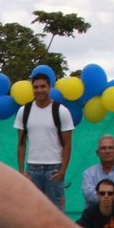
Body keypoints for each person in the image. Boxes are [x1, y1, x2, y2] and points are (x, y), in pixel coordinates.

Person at [14, 73, 73, 210]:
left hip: (54, 169)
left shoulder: (61, 111)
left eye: (43, 86)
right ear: (32, 89)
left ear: (49, 87)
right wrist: (21, 170)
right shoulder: (24, 111)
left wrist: (63, 170)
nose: (39, 90)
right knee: (31, 211)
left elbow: (67, 144)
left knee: (56, 212)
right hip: (32, 170)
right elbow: (21, 143)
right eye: (36, 87)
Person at [78, 135, 114, 228]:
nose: (107, 151)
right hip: (92, 220)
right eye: (103, 148)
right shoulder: (88, 173)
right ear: (97, 153)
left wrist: (102, 195)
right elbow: (89, 197)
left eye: (110, 148)